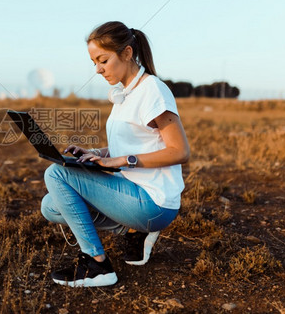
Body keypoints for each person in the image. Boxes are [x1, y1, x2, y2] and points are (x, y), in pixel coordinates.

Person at [41, 21, 190, 287]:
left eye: (103, 60)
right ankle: (132, 229)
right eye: (94, 63)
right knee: (51, 206)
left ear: (127, 53)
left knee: (56, 173)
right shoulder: (124, 94)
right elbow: (136, 142)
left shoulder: (152, 90)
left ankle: (97, 266)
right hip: (131, 192)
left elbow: (180, 151)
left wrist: (123, 161)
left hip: (154, 201)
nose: (97, 69)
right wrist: (95, 153)